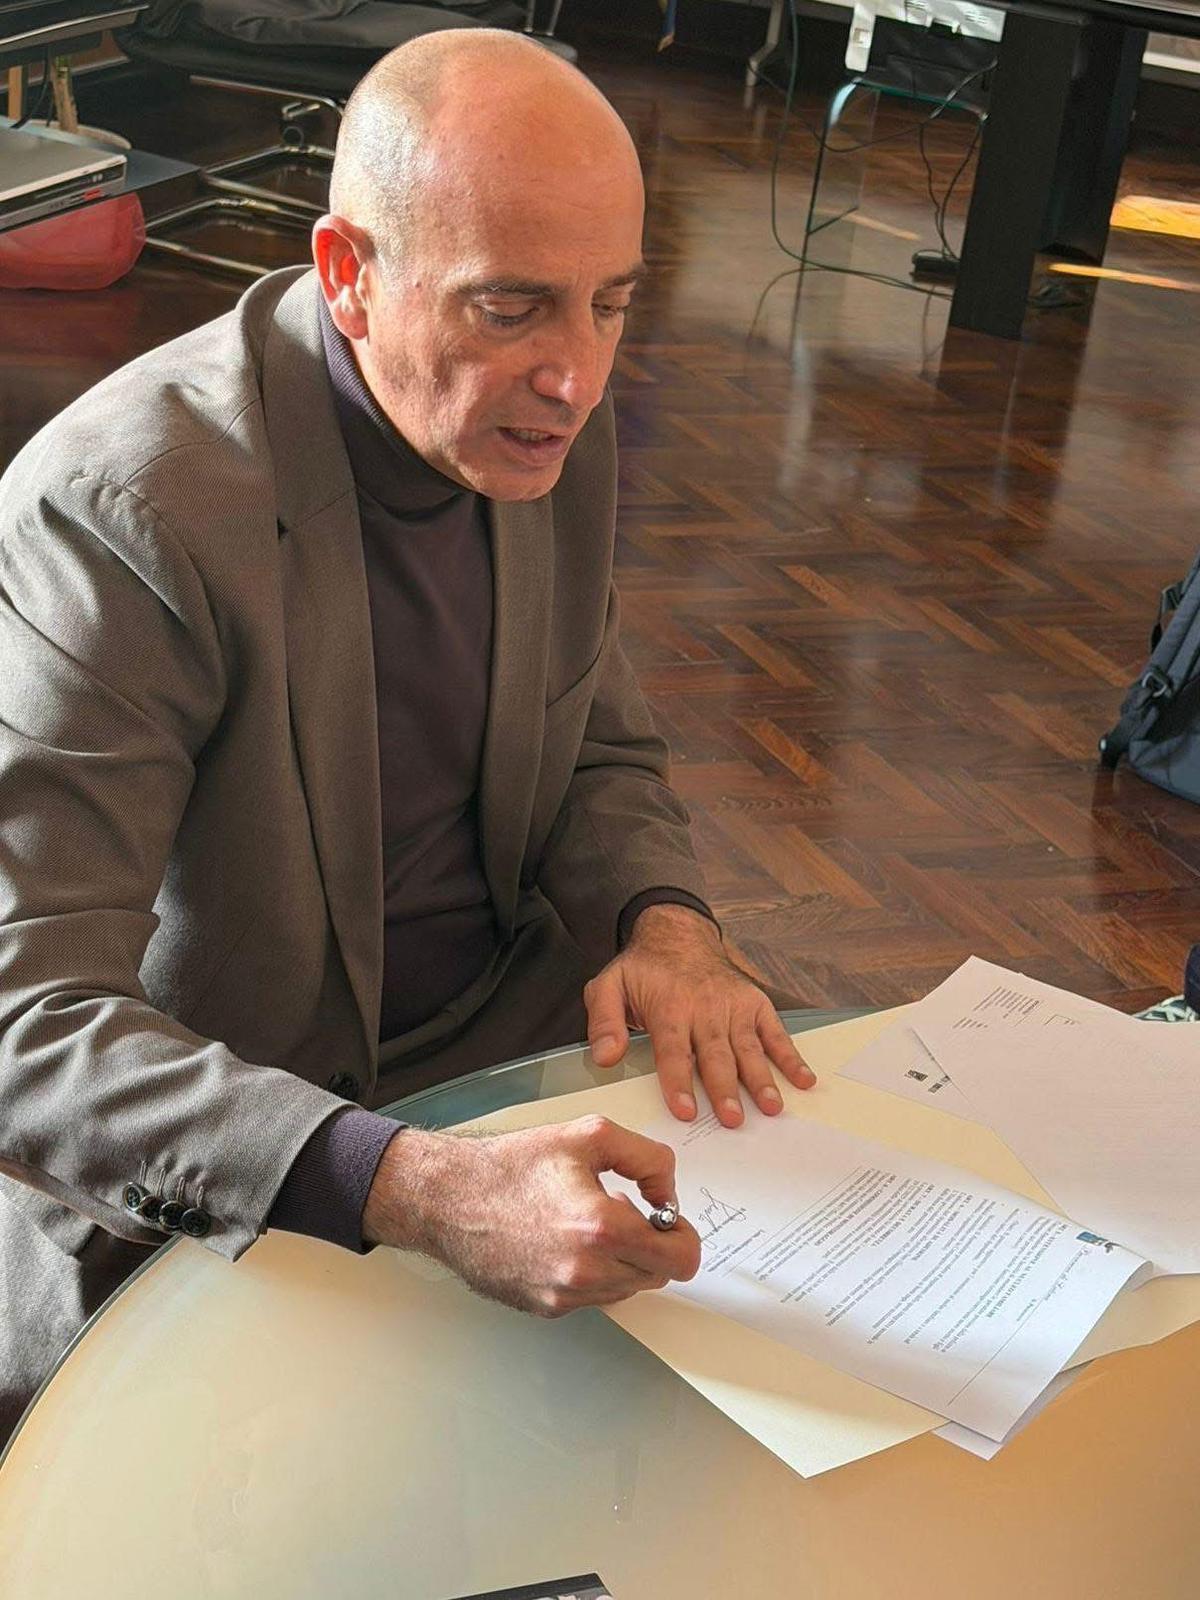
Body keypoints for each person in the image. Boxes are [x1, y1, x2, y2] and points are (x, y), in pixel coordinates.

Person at [0, 29, 814, 1442]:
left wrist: (668, 922)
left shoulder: (537, 424)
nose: (579, 376)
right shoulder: (120, 516)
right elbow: (26, 1024)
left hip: (501, 1063)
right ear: (347, 275)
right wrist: (418, 1186)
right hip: (235, 1148)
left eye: (612, 305)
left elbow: (597, 747)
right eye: (512, 308)